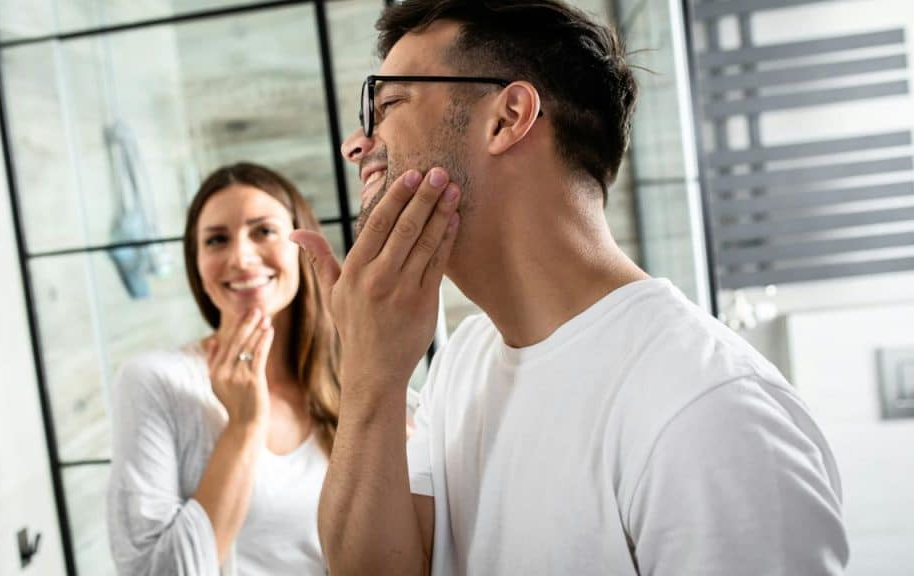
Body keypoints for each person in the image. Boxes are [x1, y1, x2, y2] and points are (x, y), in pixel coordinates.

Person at [290, 1, 849, 574]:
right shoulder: (465, 360)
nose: (356, 144)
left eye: (388, 104)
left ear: (508, 118)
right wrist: (369, 377)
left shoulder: (710, 411)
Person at [107, 162, 340, 575]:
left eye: (263, 231)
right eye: (216, 240)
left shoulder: (347, 381)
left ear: (302, 243)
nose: (241, 258)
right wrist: (245, 425)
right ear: (196, 264)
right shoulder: (156, 381)